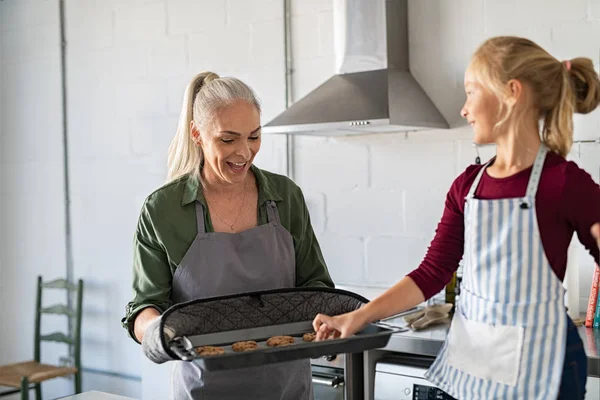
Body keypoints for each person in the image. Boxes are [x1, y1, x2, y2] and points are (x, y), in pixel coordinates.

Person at [313, 36, 600, 400]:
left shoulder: (564, 183)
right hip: (474, 364)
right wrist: (359, 316)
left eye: (470, 92)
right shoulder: (468, 185)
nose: (464, 109)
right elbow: (432, 272)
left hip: (543, 365)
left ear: (511, 92)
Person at [122, 71, 334, 399]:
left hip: (288, 388)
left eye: (254, 137)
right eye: (228, 139)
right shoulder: (163, 209)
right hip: (204, 390)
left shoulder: (285, 196)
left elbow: (316, 286)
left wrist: (328, 323)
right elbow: (144, 306)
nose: (244, 153)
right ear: (197, 134)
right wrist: (160, 332)